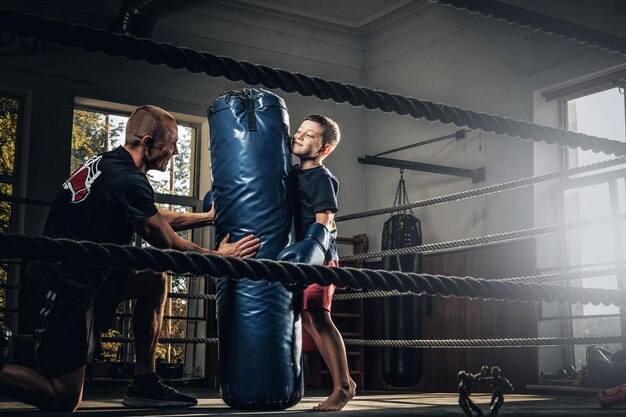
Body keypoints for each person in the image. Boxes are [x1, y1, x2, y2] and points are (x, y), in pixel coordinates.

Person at [0, 105, 260, 412]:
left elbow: (149, 215)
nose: (175, 151)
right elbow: (166, 241)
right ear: (148, 142)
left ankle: (144, 381)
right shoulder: (128, 180)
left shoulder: (110, 165)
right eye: (172, 143)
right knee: (63, 399)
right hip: (61, 288)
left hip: (92, 277)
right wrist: (219, 256)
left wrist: (206, 218)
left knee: (152, 279)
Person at [288, 114, 356, 411]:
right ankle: (337, 382)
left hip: (317, 259)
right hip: (296, 260)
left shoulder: (322, 177)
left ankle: (343, 386)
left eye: (310, 135)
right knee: (307, 318)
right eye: (299, 131)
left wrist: (310, 253)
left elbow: (324, 221)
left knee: (319, 316)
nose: (300, 136)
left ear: (324, 149)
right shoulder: (290, 173)